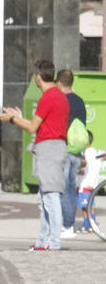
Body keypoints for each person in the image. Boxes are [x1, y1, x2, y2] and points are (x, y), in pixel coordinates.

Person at [0, 59, 70, 251]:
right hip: (53, 147)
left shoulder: (48, 97)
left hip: (49, 150)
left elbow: (32, 127)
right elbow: (42, 125)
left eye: (34, 76)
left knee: (50, 197)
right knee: (44, 197)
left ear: (38, 77)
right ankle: (42, 241)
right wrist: (19, 117)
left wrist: (12, 119)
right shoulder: (59, 96)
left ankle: (53, 243)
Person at [58, 69, 86, 236]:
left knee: (64, 188)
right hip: (77, 149)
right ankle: (69, 224)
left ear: (59, 83)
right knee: (71, 186)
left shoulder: (62, 101)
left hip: (65, 147)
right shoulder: (80, 101)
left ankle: (67, 225)